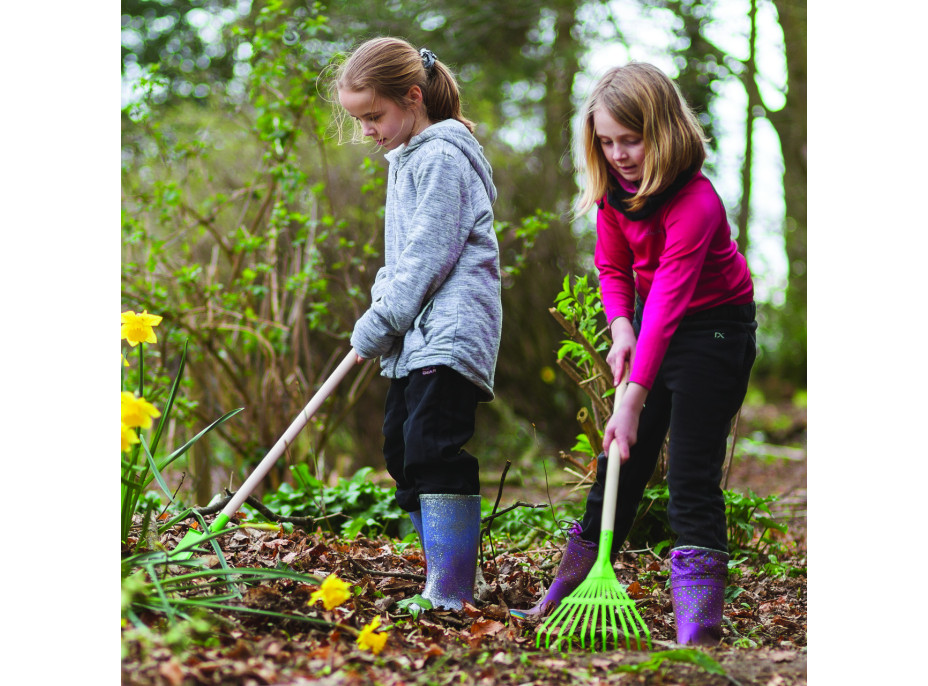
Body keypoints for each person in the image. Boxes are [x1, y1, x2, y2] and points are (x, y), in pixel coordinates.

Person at [510, 63, 757, 646]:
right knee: (621, 467)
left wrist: (633, 399)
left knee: (691, 479)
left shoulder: (696, 203)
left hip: (715, 332)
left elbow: (672, 299)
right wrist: (621, 325)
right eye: (606, 141)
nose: (619, 154)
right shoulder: (615, 194)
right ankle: (562, 597)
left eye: (632, 140)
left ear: (664, 131)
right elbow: (613, 267)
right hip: (651, 322)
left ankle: (698, 631)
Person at [331, 37, 501, 611]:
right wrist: (380, 313)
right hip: (416, 335)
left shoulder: (441, 158)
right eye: (358, 120)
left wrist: (381, 321)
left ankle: (451, 592)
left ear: (412, 97)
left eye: (373, 116)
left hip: (450, 331)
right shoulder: (406, 158)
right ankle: (441, 576)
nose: (367, 131)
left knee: (432, 446)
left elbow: (429, 257)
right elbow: (400, 259)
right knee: (402, 451)